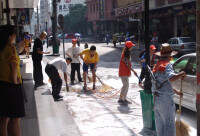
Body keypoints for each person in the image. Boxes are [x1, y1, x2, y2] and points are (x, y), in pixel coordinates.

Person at [152, 43, 186, 136]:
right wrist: (182, 74)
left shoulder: (156, 65)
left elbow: (162, 83)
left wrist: (176, 92)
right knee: (169, 126)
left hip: (156, 99)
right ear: (169, 56)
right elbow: (171, 78)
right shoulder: (167, 65)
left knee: (160, 126)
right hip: (165, 100)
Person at [0, 25, 25, 136]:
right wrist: (15, 82)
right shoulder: (10, 48)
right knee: (15, 120)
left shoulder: (2, 48)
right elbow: (13, 66)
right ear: (11, 36)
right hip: (12, 86)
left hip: (2, 85)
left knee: (4, 119)